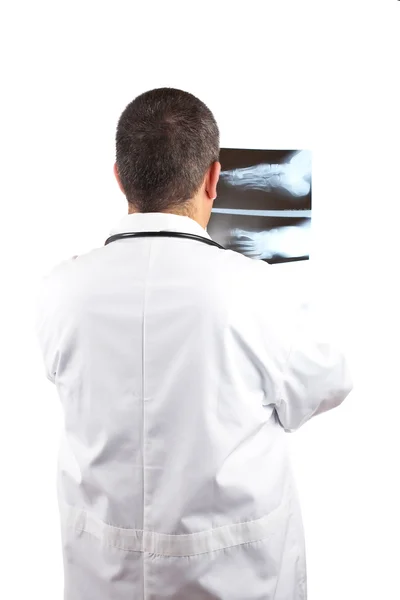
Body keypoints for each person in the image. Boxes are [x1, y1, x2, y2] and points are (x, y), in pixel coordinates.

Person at [35, 87, 353, 600]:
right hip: (236, 578)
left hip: (103, 575)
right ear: (213, 179)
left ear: (119, 178)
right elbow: (329, 384)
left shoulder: (58, 289)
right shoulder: (258, 291)